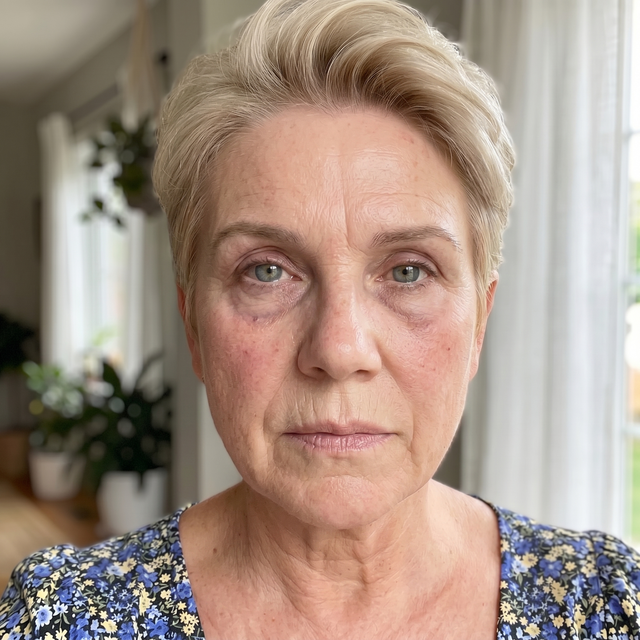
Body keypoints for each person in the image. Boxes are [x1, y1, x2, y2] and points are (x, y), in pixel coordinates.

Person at [2, 0, 640, 638]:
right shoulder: (59, 617)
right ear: (192, 323)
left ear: (480, 322)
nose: (339, 349)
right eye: (266, 271)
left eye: (408, 271)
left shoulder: (612, 605)